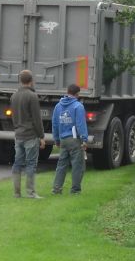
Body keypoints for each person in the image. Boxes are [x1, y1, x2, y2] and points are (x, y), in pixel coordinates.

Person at [10, 69, 45, 198]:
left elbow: (13, 117)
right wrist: (41, 136)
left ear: (20, 81)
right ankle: (31, 193)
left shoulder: (13, 96)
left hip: (18, 135)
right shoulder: (32, 96)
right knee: (31, 164)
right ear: (31, 81)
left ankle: (16, 193)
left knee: (17, 163)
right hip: (30, 135)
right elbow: (37, 119)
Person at [51, 83, 88, 195]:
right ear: (77, 94)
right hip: (74, 139)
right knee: (78, 165)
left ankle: (56, 189)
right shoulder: (78, 106)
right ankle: (75, 190)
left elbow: (55, 124)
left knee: (61, 165)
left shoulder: (58, 106)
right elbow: (80, 124)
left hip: (63, 139)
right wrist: (84, 139)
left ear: (67, 92)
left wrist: (56, 139)